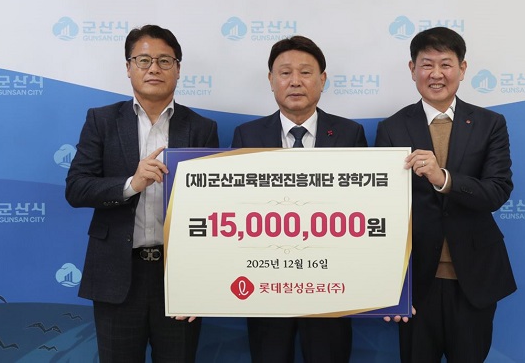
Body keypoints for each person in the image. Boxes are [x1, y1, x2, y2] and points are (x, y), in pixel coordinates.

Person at [65, 24, 219, 362]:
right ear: (128, 67)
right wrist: (131, 184)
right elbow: (76, 188)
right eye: (144, 60)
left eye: (165, 61)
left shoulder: (202, 128)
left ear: (178, 69)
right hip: (117, 275)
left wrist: (200, 283)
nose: (154, 69)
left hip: (177, 276)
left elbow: (212, 213)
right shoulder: (102, 121)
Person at [376, 27, 516, 363]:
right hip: (417, 283)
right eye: (426, 64)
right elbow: (383, 211)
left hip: (474, 279)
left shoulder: (490, 123)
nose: (436, 74)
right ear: (412, 69)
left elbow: (497, 190)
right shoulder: (391, 128)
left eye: (446, 64)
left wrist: (444, 179)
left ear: (462, 69)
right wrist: (391, 287)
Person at [231, 35, 367, 363]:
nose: (295, 81)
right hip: (266, 284)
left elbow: (363, 209)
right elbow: (235, 211)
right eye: (285, 73)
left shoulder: (350, 134)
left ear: (322, 79)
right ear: (271, 80)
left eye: (305, 72)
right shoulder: (247, 135)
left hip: (329, 284)